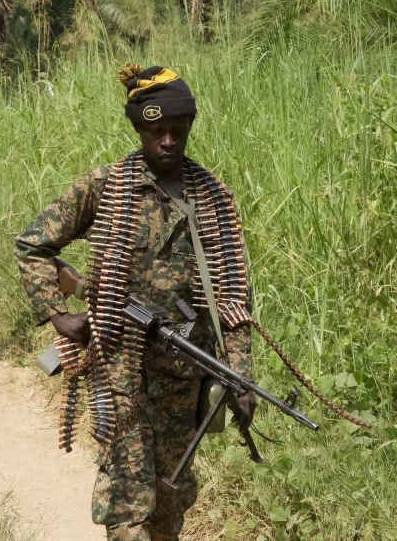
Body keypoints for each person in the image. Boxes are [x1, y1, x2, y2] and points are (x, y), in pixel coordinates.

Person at [14, 65, 256, 540]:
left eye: (177, 131)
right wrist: (58, 313)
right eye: (156, 131)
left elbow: (232, 296)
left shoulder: (212, 197)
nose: (168, 141)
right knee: (128, 497)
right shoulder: (106, 187)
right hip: (118, 364)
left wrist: (241, 376)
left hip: (184, 374)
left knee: (171, 492)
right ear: (139, 129)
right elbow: (32, 245)